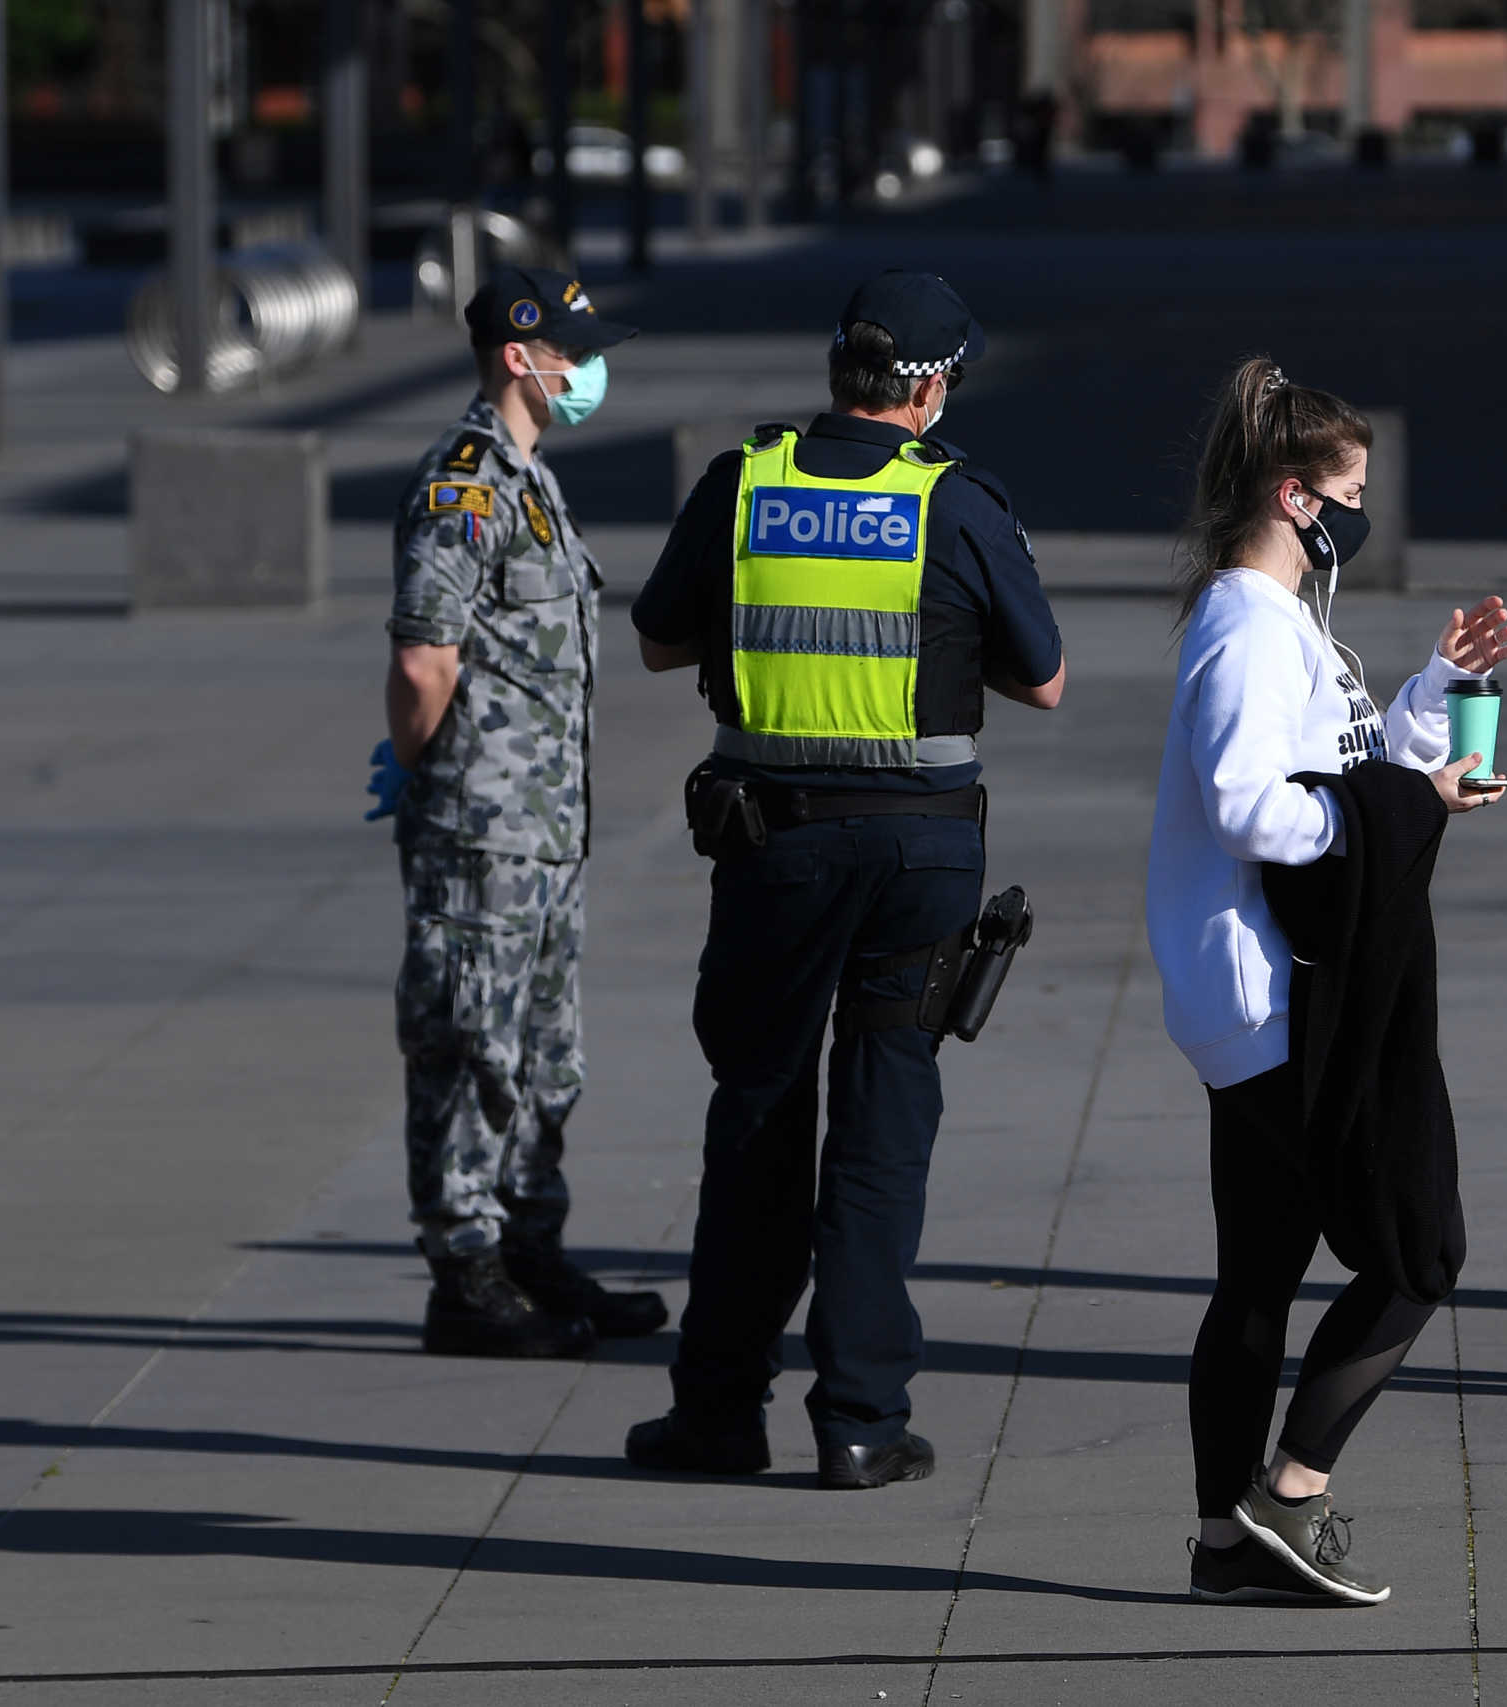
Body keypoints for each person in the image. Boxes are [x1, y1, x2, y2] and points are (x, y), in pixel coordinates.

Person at [621, 271, 1065, 1488]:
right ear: (927, 389)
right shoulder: (957, 502)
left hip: (776, 843)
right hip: (922, 853)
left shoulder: (742, 483)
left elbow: (660, 641)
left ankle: (717, 1413)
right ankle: (862, 1419)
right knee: (882, 1130)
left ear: (838, 371)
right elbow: (1045, 679)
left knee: (759, 1114)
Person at [1148, 357, 1507, 1607]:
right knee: (1419, 1246)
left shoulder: (1279, 617)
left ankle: (1220, 1545)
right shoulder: (1249, 623)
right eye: (1350, 489)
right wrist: (1417, 800)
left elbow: (1339, 765)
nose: (1362, 509)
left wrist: (1436, 691)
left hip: (1264, 992)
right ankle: (1287, 1495)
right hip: (1279, 997)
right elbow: (1256, 806)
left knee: (1259, 1268)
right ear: (1299, 494)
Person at [366, 265, 668, 1358]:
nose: (587, 373)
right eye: (573, 354)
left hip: (542, 830)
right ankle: (467, 1270)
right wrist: (412, 764)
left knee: (546, 1051)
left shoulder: (530, 480)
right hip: (479, 829)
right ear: (518, 357)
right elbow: (424, 654)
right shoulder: (467, 483)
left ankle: (532, 1247)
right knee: (468, 1041)